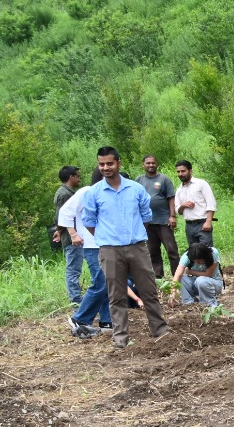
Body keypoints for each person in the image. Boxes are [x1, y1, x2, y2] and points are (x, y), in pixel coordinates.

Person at [80, 147, 170, 349]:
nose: (105, 167)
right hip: (110, 250)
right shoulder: (94, 193)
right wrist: (106, 238)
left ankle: (160, 330)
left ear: (119, 163)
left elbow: (146, 216)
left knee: (149, 291)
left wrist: (134, 233)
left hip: (137, 247)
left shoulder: (135, 189)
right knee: (116, 295)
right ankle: (121, 337)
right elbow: (89, 221)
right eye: (101, 164)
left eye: (109, 163)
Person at [61, 177, 111, 337]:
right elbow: (65, 212)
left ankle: (106, 320)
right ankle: (80, 318)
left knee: (108, 283)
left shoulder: (111, 195)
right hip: (92, 245)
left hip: (107, 244)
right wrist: (73, 234)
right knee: (100, 282)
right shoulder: (87, 191)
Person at [137, 155, 180, 275]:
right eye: (148, 163)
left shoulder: (164, 179)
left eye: (153, 163)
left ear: (157, 164)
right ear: (143, 165)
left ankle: (177, 276)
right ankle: (158, 276)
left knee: (171, 250)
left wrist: (172, 216)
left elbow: (171, 198)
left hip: (164, 221)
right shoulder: (139, 180)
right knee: (153, 251)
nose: (151, 165)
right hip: (147, 222)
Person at [54, 166, 85, 306]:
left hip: (72, 235)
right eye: (77, 176)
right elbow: (61, 216)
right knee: (73, 270)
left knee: (74, 268)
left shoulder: (67, 192)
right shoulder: (65, 194)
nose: (79, 179)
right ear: (71, 177)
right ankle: (76, 301)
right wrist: (62, 231)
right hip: (72, 238)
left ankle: (77, 298)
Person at [173, 160, 216, 252]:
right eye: (178, 172)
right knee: (195, 253)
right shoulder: (179, 189)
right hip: (189, 225)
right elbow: (178, 210)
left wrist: (208, 222)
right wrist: (183, 206)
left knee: (207, 252)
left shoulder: (201, 184)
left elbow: (211, 203)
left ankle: (214, 267)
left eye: (183, 171)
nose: (180, 174)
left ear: (190, 171)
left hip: (202, 223)